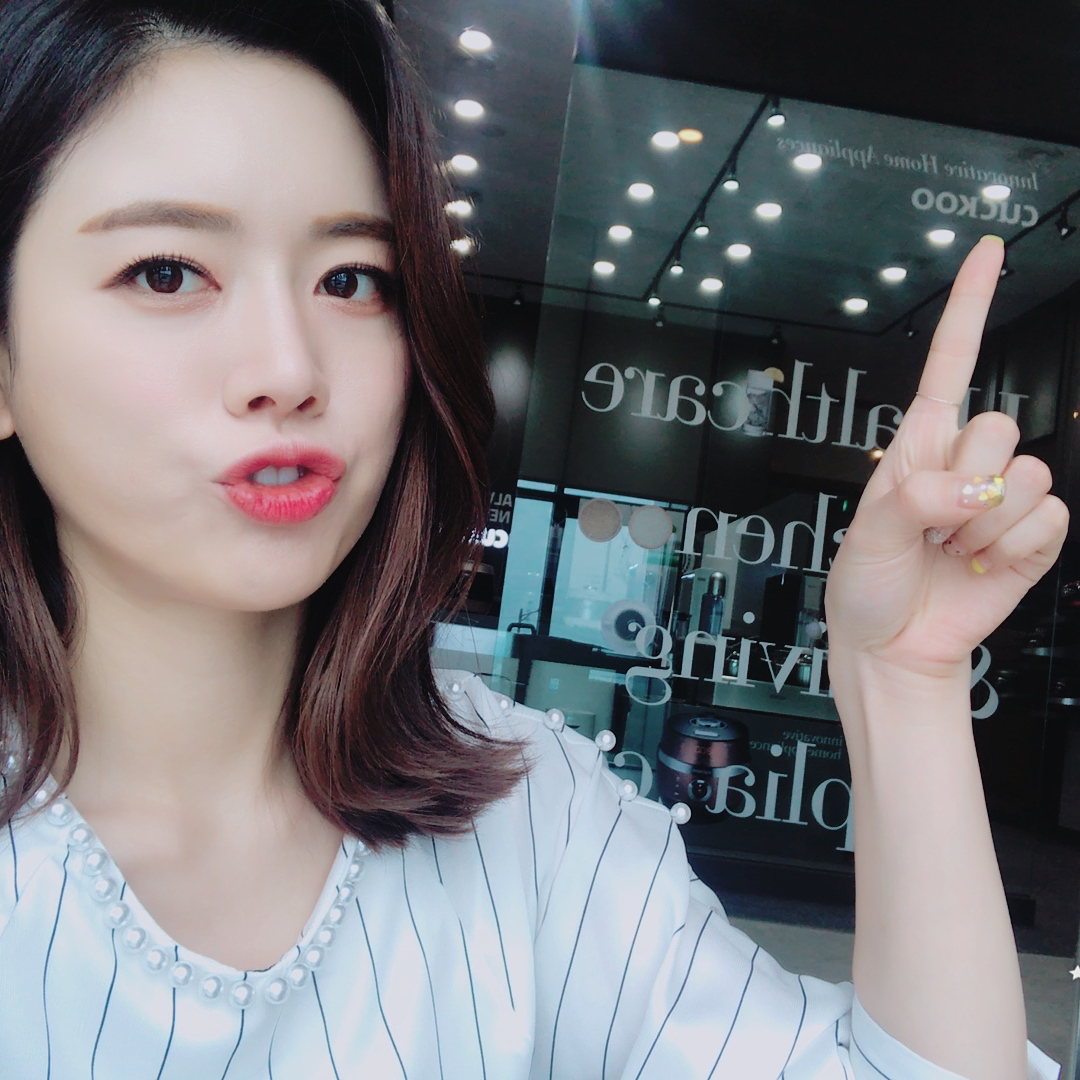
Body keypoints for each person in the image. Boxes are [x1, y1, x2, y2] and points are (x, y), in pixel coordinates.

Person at [0, 1, 1067, 1077]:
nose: (289, 367)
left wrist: (903, 682)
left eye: (351, 280)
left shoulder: (528, 811)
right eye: (168, 272)